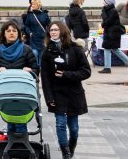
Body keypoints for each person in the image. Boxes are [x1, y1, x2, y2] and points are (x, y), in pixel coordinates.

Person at [41, 21, 91, 158]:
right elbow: (45, 79)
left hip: (74, 93)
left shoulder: (75, 49)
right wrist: (49, 98)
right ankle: (66, 152)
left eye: (56, 29)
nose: (53, 32)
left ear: (63, 31)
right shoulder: (47, 52)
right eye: (51, 30)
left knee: (74, 128)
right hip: (57, 93)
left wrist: (66, 74)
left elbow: (86, 71)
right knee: (60, 124)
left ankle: (71, 146)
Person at [0, 20, 38, 138]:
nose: (11, 33)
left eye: (14, 31)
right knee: (10, 115)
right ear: (3, 34)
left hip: (23, 92)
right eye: (8, 31)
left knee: (20, 117)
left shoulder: (26, 50)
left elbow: (36, 70)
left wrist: (30, 71)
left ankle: (17, 144)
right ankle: (14, 143)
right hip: (5, 93)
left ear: (18, 34)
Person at [99, 0, 128, 74]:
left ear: (108, 3)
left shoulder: (113, 11)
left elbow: (108, 21)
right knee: (112, 49)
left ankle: (108, 68)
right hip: (110, 33)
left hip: (112, 33)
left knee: (111, 49)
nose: (103, 3)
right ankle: (107, 67)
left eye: (105, 1)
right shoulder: (107, 10)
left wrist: (103, 24)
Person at [23, 0, 51, 68]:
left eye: (34, 4)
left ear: (38, 5)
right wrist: (30, 33)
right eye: (32, 4)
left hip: (43, 38)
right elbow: (26, 26)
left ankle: (41, 70)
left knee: (42, 55)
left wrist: (48, 34)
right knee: (34, 53)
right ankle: (35, 69)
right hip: (33, 38)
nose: (32, 5)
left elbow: (50, 25)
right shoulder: (30, 15)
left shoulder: (45, 14)